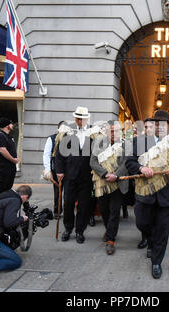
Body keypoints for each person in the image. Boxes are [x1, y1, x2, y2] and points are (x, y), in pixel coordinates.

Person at [126, 110, 169, 279]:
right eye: (157, 124)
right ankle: (151, 240)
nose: (161, 127)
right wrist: (141, 168)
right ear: (153, 126)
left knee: (162, 229)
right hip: (145, 193)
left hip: (166, 195)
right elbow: (129, 162)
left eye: (164, 124)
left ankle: (156, 262)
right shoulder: (139, 142)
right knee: (142, 222)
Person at [55, 107, 96, 244]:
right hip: (70, 175)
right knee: (68, 203)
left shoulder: (93, 134)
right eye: (77, 118)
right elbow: (59, 154)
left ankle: (80, 231)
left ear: (86, 119)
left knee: (84, 205)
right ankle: (68, 228)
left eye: (82, 118)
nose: (79, 120)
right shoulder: (67, 133)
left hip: (86, 176)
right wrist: (59, 171)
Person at [90, 121, 129, 255]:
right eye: (111, 131)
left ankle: (110, 240)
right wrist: (105, 174)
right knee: (104, 209)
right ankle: (109, 230)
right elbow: (93, 161)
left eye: (117, 131)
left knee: (114, 211)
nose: (114, 133)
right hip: (103, 182)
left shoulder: (125, 144)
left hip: (118, 183)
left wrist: (116, 175)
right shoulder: (99, 144)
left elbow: (126, 163)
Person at [42, 121, 67, 219]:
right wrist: (48, 170)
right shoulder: (51, 138)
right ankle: (57, 211)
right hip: (56, 170)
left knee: (68, 193)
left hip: (68, 170)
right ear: (58, 128)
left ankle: (67, 211)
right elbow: (46, 154)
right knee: (57, 192)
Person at [0, 118, 19, 200]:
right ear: (7, 126)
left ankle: (4, 204)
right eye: (11, 124)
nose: (12, 125)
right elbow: (2, 150)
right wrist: (13, 159)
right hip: (3, 166)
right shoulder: (0, 135)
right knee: (1, 187)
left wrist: (16, 158)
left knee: (8, 187)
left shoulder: (9, 136)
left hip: (10, 166)